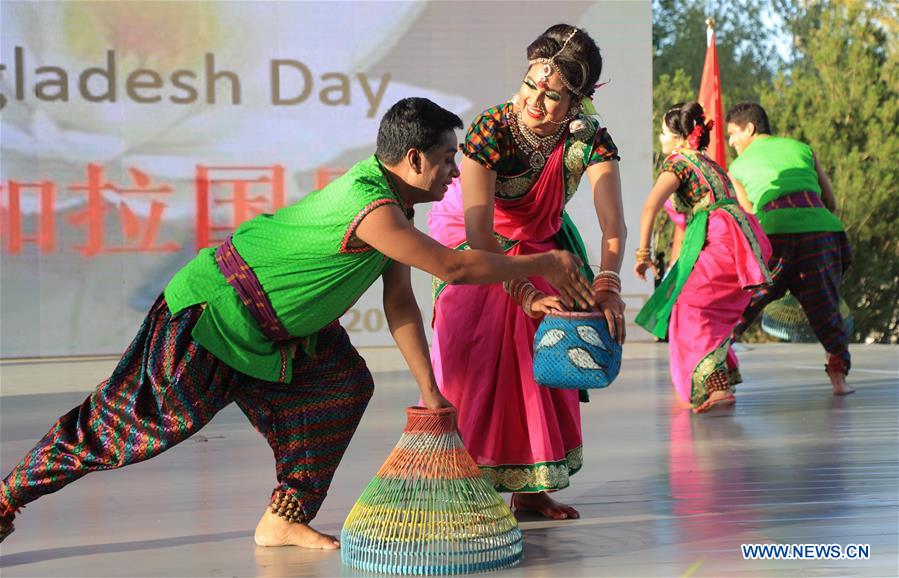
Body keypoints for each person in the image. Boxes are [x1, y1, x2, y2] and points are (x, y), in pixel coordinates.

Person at [0, 98, 595, 548]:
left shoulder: (396, 204)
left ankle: (283, 519)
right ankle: (7, 497)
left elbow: (400, 303)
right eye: (446, 162)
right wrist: (544, 262)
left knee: (343, 385)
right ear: (414, 159)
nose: (453, 175)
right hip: (213, 316)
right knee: (117, 431)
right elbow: (453, 266)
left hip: (284, 332)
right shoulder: (373, 207)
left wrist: (429, 390)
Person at [428, 25, 626, 521]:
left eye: (552, 95)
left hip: (540, 241)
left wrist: (608, 284)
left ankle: (532, 488)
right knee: (473, 350)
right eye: (530, 84)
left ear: (577, 102)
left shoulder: (587, 141)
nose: (534, 101)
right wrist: (520, 290)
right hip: (474, 241)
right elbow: (479, 234)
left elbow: (613, 225)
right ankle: (463, 489)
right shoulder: (492, 128)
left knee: (550, 342)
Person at [634, 102, 772, 413]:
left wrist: (643, 254)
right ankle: (718, 381)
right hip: (742, 241)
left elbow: (650, 206)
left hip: (722, 241)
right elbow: (740, 204)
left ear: (678, 136)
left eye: (663, 132)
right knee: (710, 311)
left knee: (690, 307)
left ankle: (716, 385)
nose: (660, 137)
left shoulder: (678, 164)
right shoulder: (712, 165)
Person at [725, 102, 854, 395]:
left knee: (744, 305)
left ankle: (716, 373)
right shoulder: (803, 149)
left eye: (733, 134)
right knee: (826, 308)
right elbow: (830, 201)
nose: (731, 142)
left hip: (774, 235)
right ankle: (839, 380)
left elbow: (750, 216)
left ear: (749, 128)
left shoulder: (736, 167)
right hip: (820, 231)